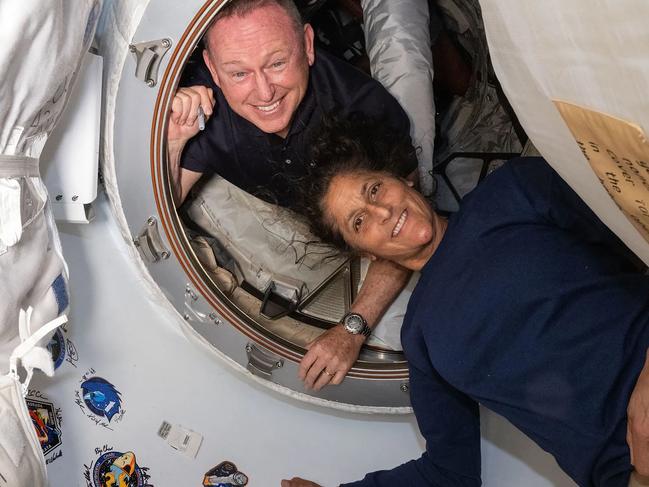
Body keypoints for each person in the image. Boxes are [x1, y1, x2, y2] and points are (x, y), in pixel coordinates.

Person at [281, 118, 649, 486]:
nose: (382, 212)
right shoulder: (420, 337)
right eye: (360, 222)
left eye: (374, 189)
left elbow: (642, 234)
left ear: (402, 178)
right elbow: (450, 473)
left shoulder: (510, 192)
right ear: (366, 254)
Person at [167, 0, 419, 388]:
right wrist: (174, 142)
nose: (263, 91)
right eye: (238, 73)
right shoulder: (204, 107)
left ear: (307, 44)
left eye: (277, 63)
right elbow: (166, 202)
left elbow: (406, 225)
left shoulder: (364, 111)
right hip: (286, 206)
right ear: (213, 69)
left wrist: (353, 328)